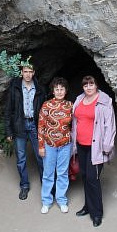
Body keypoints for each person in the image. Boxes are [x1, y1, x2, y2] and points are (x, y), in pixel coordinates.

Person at [71, 75, 116, 227]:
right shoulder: (79, 99)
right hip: (81, 145)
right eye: (85, 85)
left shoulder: (104, 101)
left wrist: (107, 146)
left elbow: (110, 125)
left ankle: (97, 213)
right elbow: (76, 121)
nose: (88, 87)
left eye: (91, 84)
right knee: (84, 176)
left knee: (92, 178)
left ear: (96, 85)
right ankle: (88, 207)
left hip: (96, 147)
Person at [4, 62, 46, 200]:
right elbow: (8, 110)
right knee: (21, 158)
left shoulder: (39, 89)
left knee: (41, 157)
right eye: (25, 71)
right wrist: (9, 131)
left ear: (34, 73)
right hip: (19, 125)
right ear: (21, 72)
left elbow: (44, 111)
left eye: (30, 71)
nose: (28, 74)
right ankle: (24, 186)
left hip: (34, 125)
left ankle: (45, 185)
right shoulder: (14, 88)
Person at [38, 77, 73, 214]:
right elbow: (40, 126)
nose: (59, 91)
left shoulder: (70, 105)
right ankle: (46, 201)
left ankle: (61, 200)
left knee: (63, 173)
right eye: (56, 89)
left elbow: (75, 124)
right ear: (53, 91)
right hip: (49, 145)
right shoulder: (46, 105)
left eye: (62, 89)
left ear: (65, 90)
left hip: (65, 144)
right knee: (48, 174)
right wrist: (41, 146)